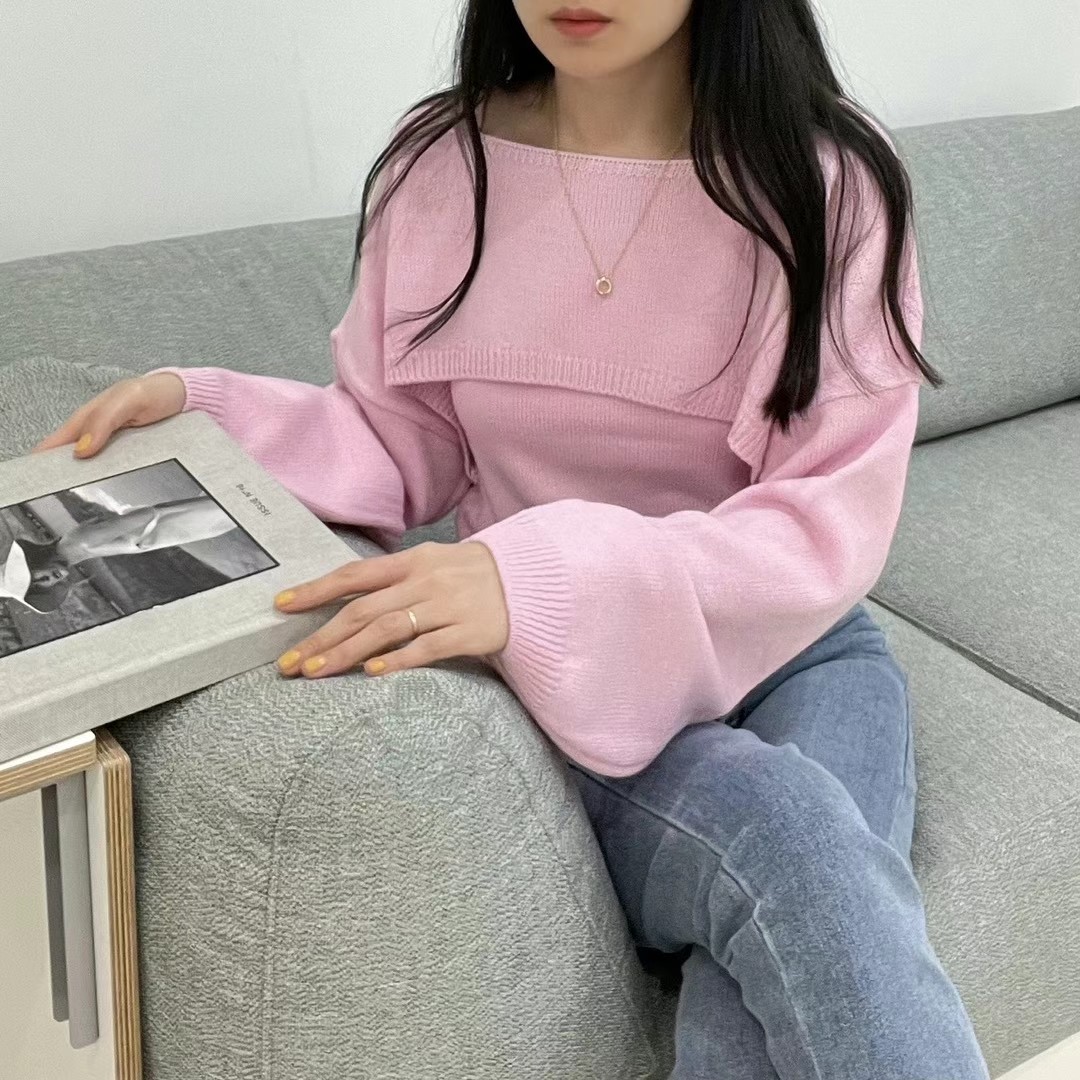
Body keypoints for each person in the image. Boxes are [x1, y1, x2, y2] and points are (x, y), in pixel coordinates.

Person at [32, 2, 991, 1075]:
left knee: (767, 969)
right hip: (560, 676)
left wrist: (544, 573)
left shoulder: (828, 184)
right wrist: (211, 420)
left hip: (797, 650)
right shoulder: (445, 164)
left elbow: (825, 519)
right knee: (793, 835)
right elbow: (402, 444)